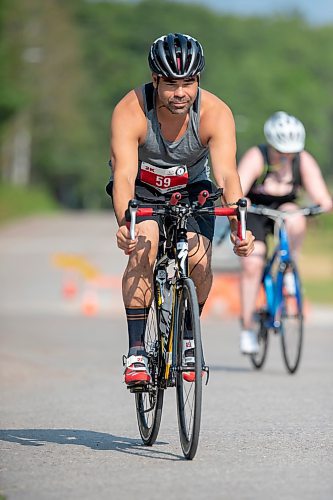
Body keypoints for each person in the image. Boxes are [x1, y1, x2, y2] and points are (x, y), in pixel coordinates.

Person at [107, 33, 254, 386]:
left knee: (200, 257)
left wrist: (239, 226)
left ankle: (189, 338)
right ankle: (138, 352)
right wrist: (126, 222)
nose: (180, 93)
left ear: (198, 80)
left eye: (188, 83)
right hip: (143, 186)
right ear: (155, 79)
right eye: (171, 84)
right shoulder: (130, 110)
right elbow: (124, 173)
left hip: (192, 186)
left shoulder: (215, 113)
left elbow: (227, 174)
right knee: (145, 242)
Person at [237, 111, 332, 354]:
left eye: (291, 152)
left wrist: (320, 204)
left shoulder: (303, 160)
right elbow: (237, 189)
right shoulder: (257, 157)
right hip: (256, 211)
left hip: (284, 209)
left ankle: (289, 267)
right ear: (271, 145)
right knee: (252, 264)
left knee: (295, 216)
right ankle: (247, 327)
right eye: (281, 151)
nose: (286, 156)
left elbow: (322, 195)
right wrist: (241, 203)